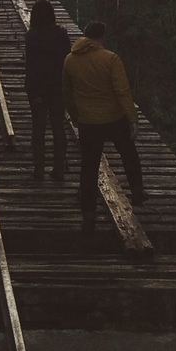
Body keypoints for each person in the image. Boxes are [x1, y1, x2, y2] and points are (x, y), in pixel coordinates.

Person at [62, 20, 145, 229]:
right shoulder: (111, 59)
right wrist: (132, 119)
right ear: (102, 37)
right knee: (129, 156)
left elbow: (67, 93)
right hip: (114, 119)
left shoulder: (70, 60)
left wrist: (75, 115)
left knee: (89, 167)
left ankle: (88, 213)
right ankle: (137, 194)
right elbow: (122, 91)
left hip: (88, 122)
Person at [24, 0, 71, 181]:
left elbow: (31, 67)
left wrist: (32, 91)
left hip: (39, 89)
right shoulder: (62, 35)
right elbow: (67, 64)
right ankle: (58, 168)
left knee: (38, 128)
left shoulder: (31, 37)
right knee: (59, 127)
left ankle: (39, 168)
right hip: (58, 88)